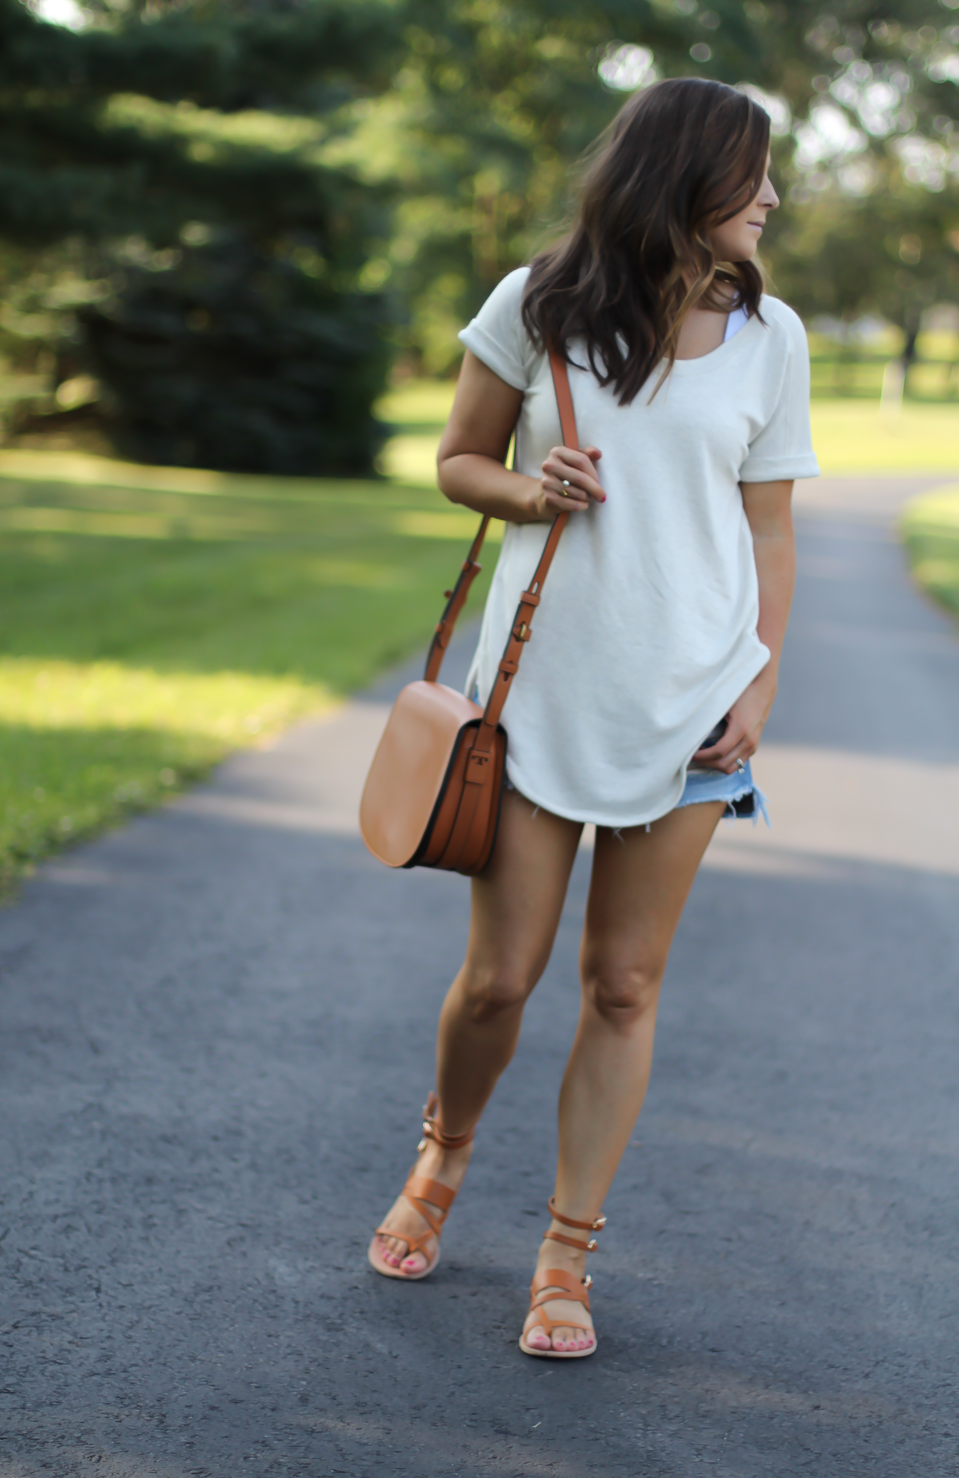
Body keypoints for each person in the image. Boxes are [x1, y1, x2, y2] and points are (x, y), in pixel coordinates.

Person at [367, 76, 819, 1359]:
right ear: (682, 179)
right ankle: (441, 1160)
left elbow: (771, 527)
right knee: (501, 979)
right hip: (541, 699)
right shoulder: (541, 303)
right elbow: (458, 457)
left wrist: (761, 672)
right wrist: (529, 491)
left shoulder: (770, 337)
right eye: (752, 176)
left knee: (624, 984)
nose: (772, 199)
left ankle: (567, 1257)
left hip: (691, 712)